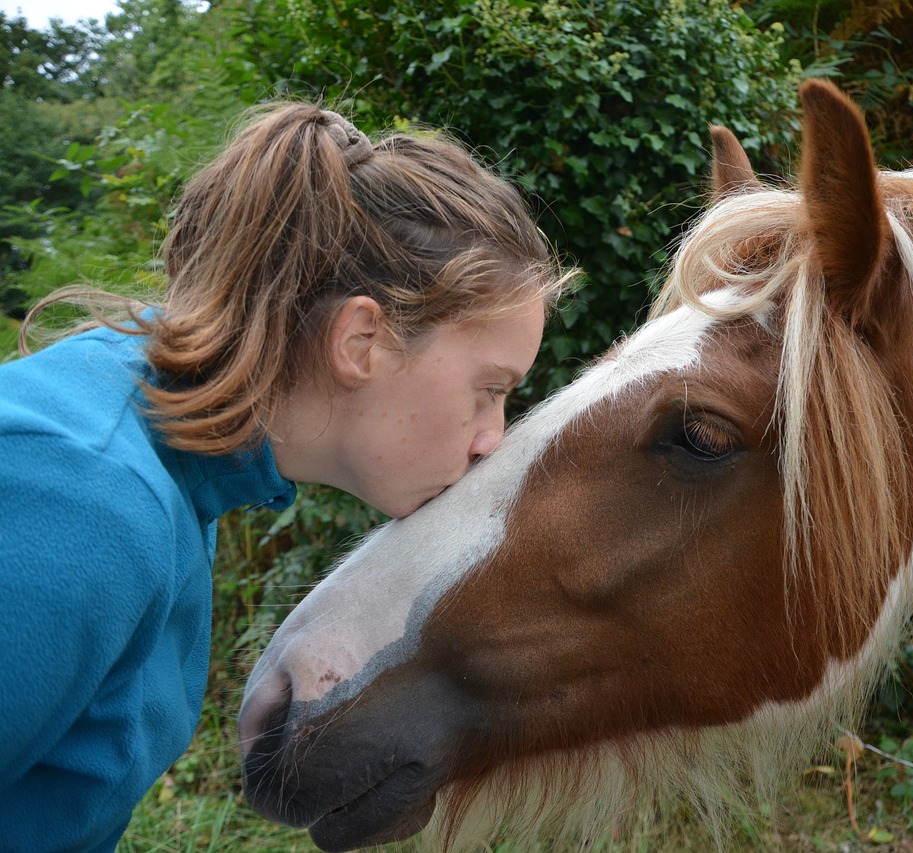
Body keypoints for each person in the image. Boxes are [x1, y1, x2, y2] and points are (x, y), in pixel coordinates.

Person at [0, 103, 568, 851]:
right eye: (489, 389)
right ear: (360, 341)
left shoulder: (160, 454)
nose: (493, 439)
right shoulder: (86, 498)